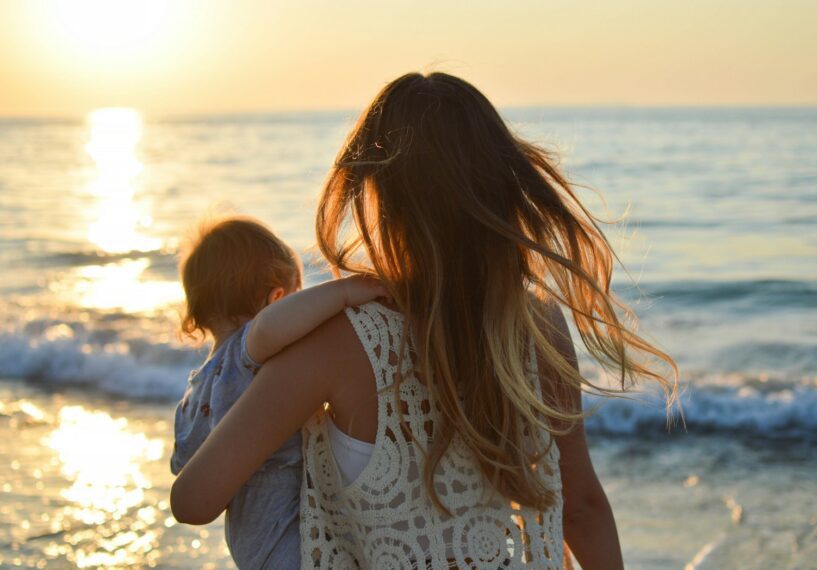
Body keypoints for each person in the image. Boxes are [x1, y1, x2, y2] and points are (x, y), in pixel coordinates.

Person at [171, 73, 677, 569]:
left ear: (375, 195)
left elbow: (194, 499)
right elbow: (582, 505)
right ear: (501, 184)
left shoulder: (338, 340)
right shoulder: (538, 325)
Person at [170, 216, 387, 569]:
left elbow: (185, 464)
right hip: (293, 539)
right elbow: (267, 329)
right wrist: (344, 292)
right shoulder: (244, 356)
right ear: (277, 298)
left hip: (253, 549)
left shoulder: (192, 399)